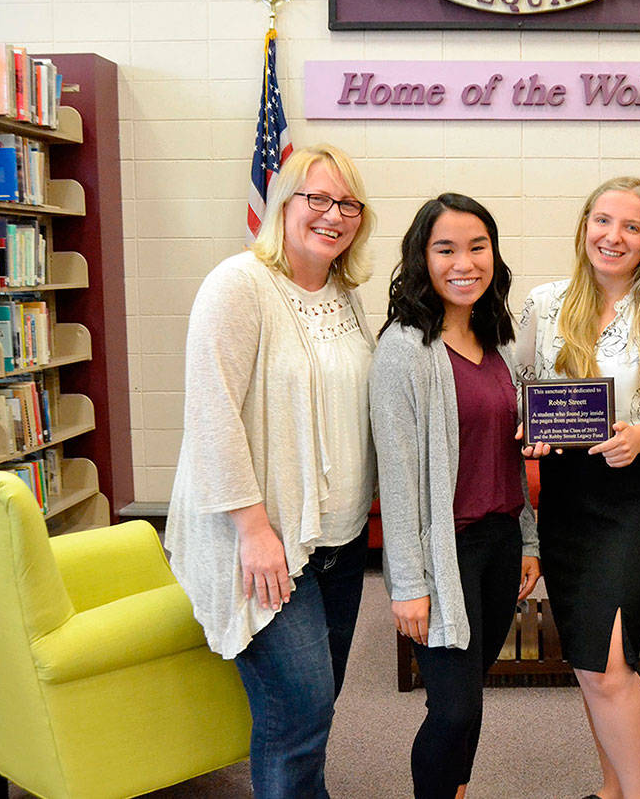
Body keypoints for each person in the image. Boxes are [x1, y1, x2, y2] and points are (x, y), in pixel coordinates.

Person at [164, 144, 377, 799]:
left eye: (347, 203)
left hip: (338, 540)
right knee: (301, 710)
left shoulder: (345, 294)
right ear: (283, 202)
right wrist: (255, 530)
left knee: (309, 708)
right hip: (266, 543)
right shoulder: (240, 284)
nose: (333, 215)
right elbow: (212, 416)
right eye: (317, 198)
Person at [516, 176, 640, 799]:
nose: (614, 236)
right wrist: (529, 427)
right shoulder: (544, 306)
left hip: (636, 499)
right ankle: (610, 789)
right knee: (591, 660)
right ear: (584, 227)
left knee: (612, 655)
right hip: (568, 499)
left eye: (631, 226)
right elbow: (516, 392)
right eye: (603, 221)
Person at [371, 193, 541, 799]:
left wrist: (527, 538)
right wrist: (408, 582)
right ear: (422, 257)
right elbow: (394, 474)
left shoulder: (497, 340)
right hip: (445, 554)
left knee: (469, 697)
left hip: (499, 546)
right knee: (450, 710)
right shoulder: (403, 349)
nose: (464, 262)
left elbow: (510, 453)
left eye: (477, 246)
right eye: (446, 249)